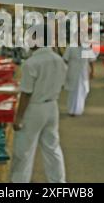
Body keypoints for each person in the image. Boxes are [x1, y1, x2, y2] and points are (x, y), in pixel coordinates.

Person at [10, 26, 67, 183]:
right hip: (52, 107)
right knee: (52, 147)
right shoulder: (59, 60)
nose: (28, 40)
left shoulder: (31, 63)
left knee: (24, 150)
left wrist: (18, 117)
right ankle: (58, 182)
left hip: (34, 108)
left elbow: (26, 94)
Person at [63, 46, 95, 116]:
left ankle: (79, 109)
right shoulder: (70, 48)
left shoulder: (87, 48)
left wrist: (92, 71)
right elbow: (65, 60)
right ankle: (71, 110)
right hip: (72, 72)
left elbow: (91, 61)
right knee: (73, 92)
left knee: (84, 90)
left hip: (83, 73)